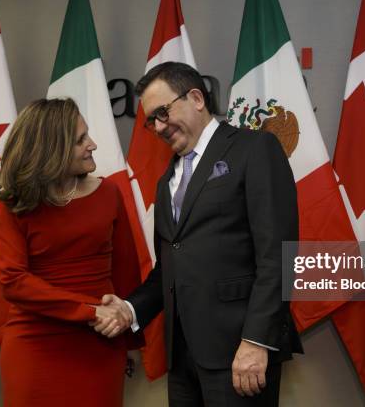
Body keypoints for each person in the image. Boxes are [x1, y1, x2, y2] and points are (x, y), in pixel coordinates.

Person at [95, 62, 303, 406]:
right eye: (151, 120)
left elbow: (277, 255)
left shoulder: (255, 149)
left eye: (163, 112)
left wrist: (256, 341)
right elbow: (169, 269)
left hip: (240, 354)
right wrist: (130, 310)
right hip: (183, 358)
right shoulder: (166, 182)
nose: (159, 126)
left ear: (195, 98)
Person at [0, 98, 143, 407]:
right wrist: (89, 310)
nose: (93, 145)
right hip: (35, 346)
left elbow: (126, 274)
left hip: (101, 344)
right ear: (51, 149)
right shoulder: (15, 204)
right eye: (80, 140)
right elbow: (14, 282)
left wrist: (127, 335)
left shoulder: (109, 194)